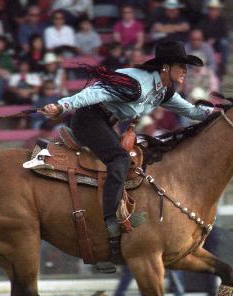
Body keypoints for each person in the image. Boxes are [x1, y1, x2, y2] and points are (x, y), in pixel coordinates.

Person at [39, 41, 216, 265]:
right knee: (120, 158)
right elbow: (94, 93)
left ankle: (124, 211)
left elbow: (192, 111)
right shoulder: (136, 84)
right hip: (88, 120)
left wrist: (221, 113)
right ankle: (110, 220)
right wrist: (62, 105)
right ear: (165, 68)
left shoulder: (164, 91)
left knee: (133, 161)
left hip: (106, 122)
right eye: (181, 65)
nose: (185, 71)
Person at [196, 0, 229, 75]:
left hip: (218, 44)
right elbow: (199, 32)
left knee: (224, 42)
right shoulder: (203, 21)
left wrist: (214, 39)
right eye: (211, 10)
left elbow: (224, 33)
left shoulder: (222, 20)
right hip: (205, 43)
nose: (213, 12)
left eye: (215, 10)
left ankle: (223, 64)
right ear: (208, 10)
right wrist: (206, 41)